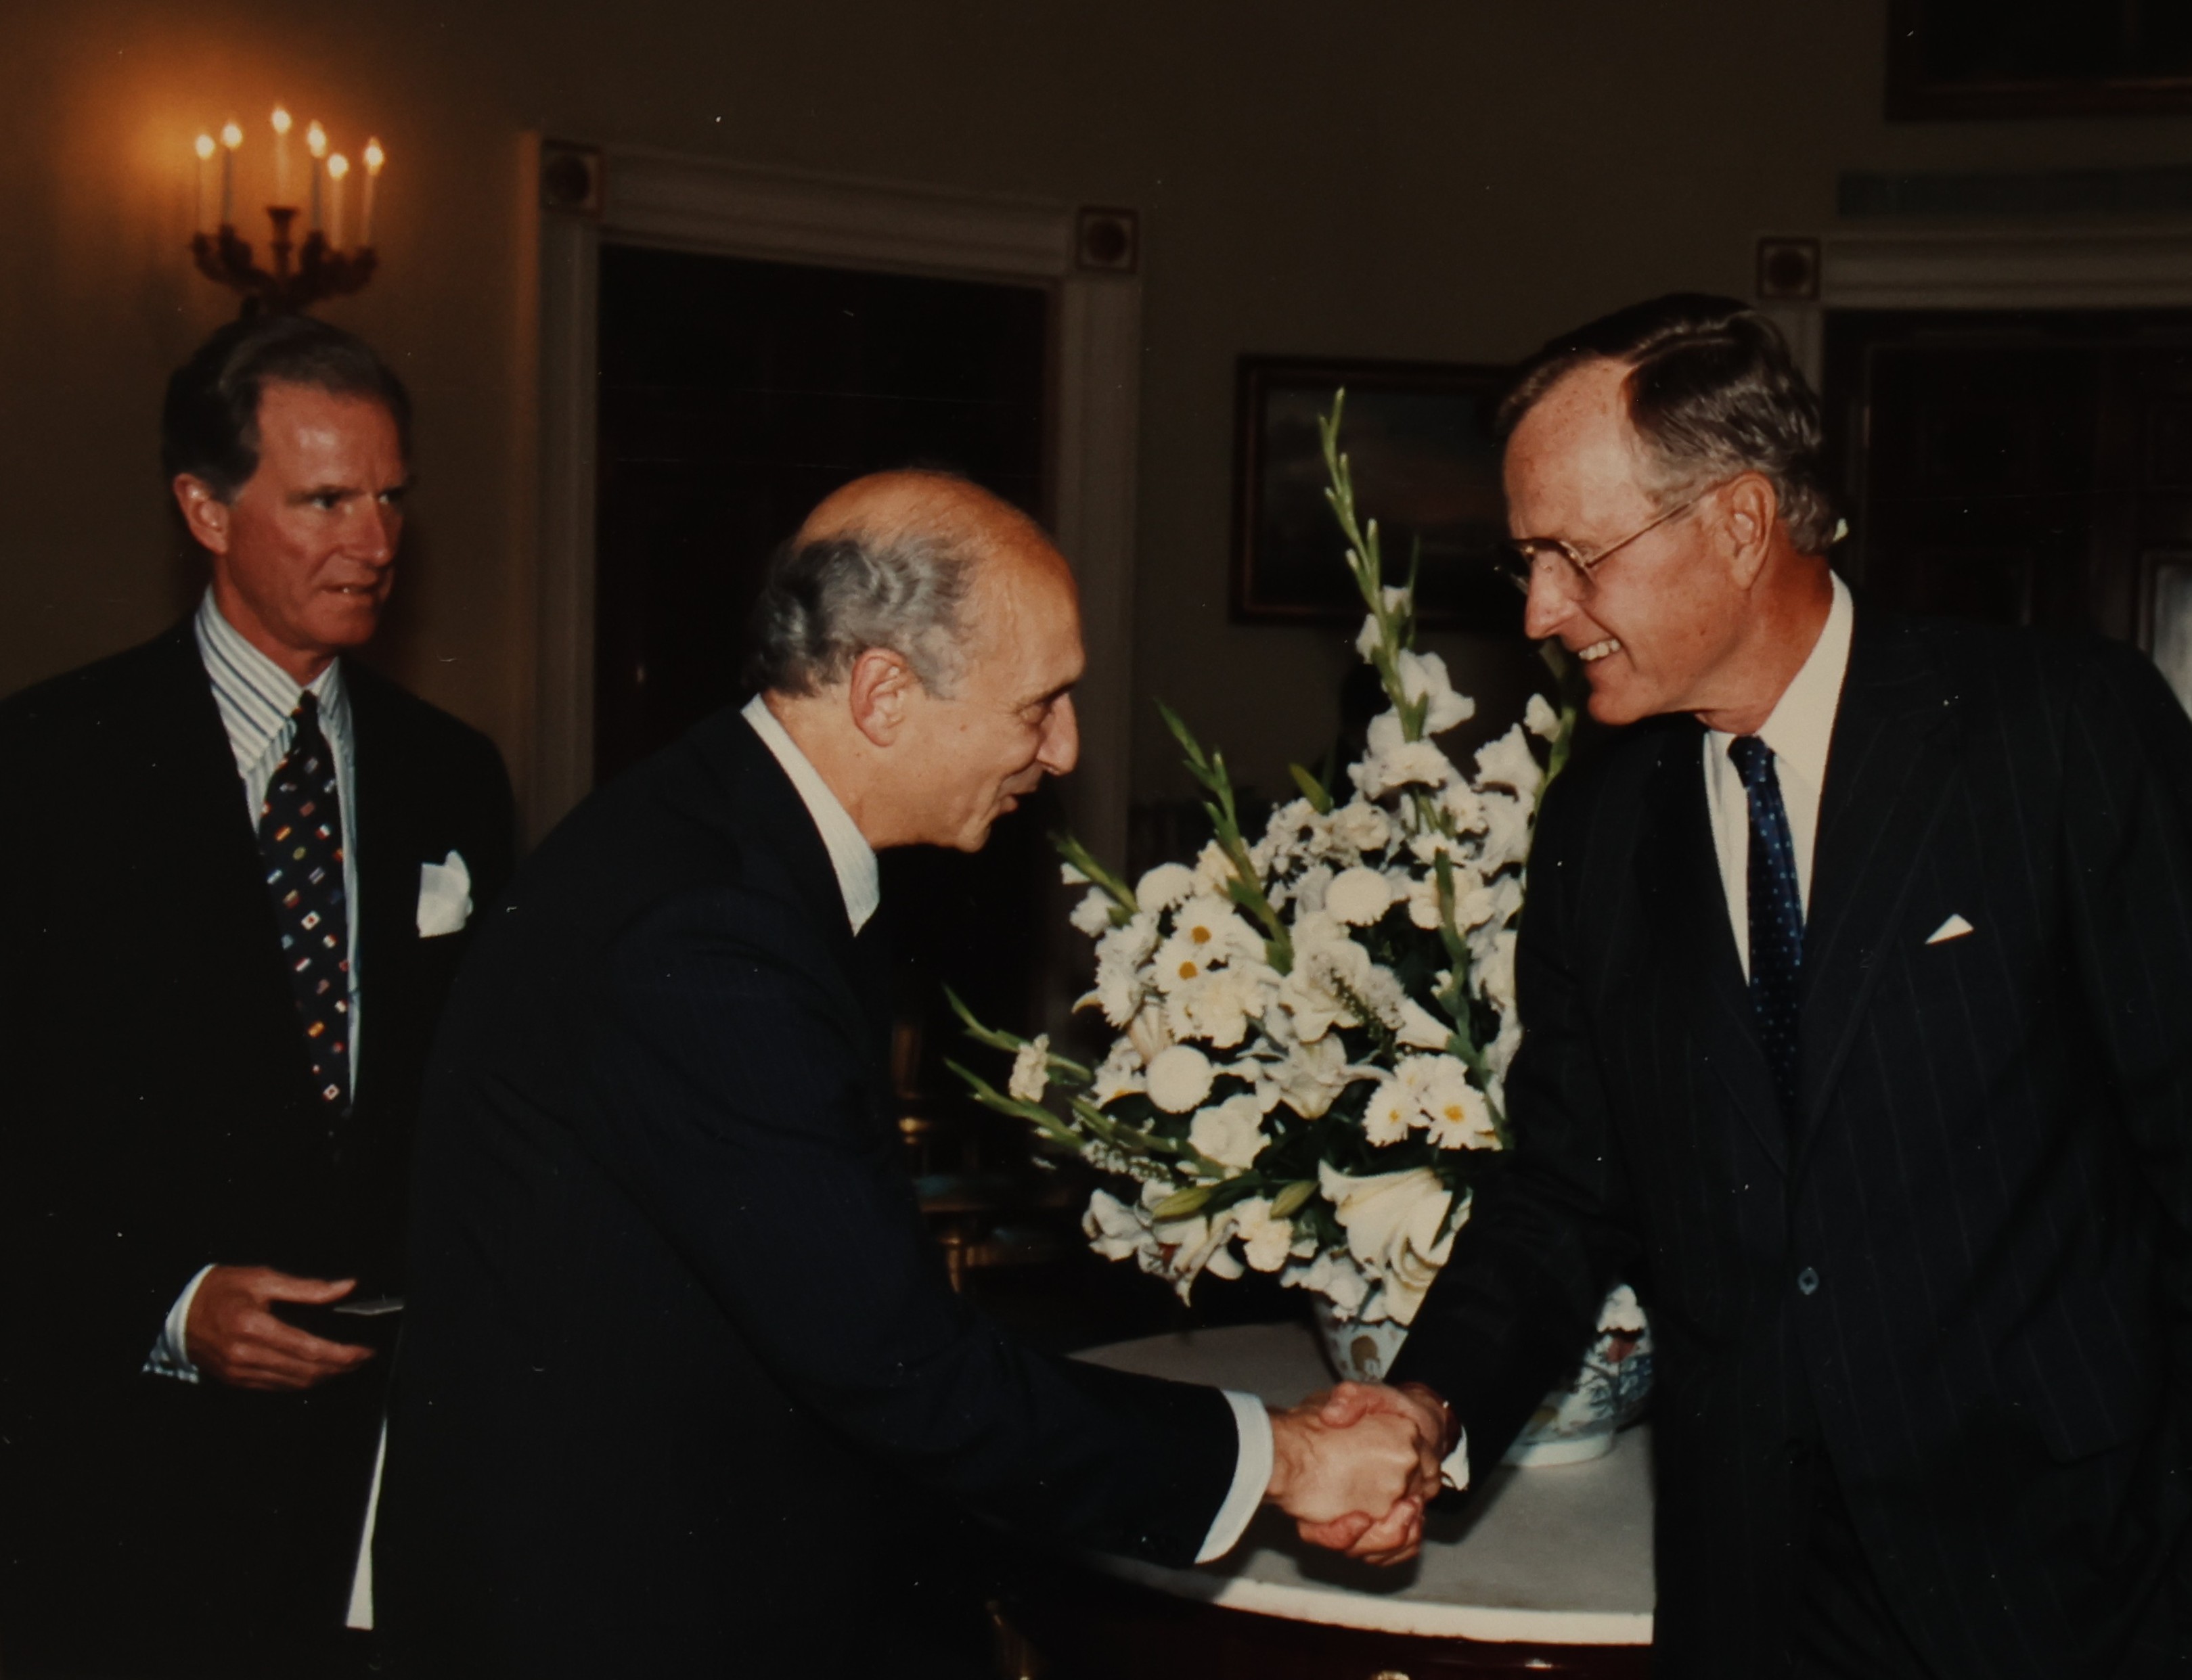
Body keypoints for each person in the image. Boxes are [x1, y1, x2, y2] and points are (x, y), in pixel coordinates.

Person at [1339, 295, 2192, 1677]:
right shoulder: (1600, 826)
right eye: (1526, 562)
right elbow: (1566, 1184)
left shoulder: (2057, 734)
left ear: (1740, 521)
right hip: (1749, 1585)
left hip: (2067, 1572)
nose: (1539, 610)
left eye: (1573, 555)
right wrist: (1427, 1405)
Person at [378, 470, 1432, 1678]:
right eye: (1040, 705)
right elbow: (898, 1368)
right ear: (883, 691)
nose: (1065, 747)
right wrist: (1284, 1460)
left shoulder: (730, 835)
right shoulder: (711, 929)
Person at [0, 317, 518, 1678]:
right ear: (204, 507)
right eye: (325, 500)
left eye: (391, 495)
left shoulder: (452, 773)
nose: (376, 538)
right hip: (117, 1486)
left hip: (373, 1480)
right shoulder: (49, 767)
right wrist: (166, 1308)